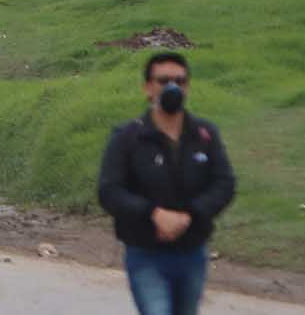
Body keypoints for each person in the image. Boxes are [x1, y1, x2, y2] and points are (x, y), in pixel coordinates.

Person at [98, 52, 236, 315]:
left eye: (179, 81)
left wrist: (190, 215)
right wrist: (153, 213)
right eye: (163, 81)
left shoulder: (204, 135)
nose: (172, 87)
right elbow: (109, 191)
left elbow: (224, 184)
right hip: (145, 253)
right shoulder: (128, 137)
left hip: (192, 253)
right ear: (148, 87)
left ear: (188, 87)